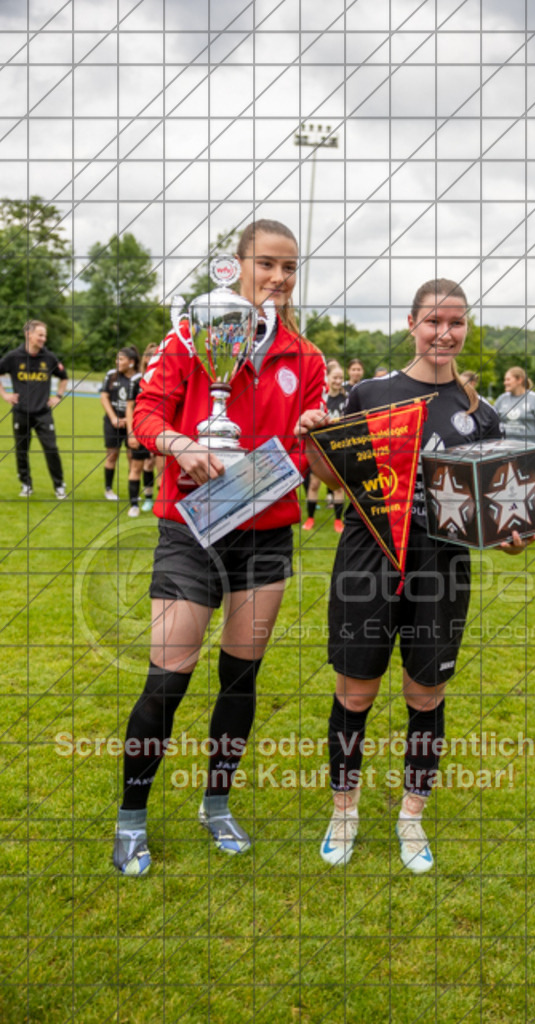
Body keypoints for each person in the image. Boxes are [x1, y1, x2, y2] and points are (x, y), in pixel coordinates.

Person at [297, 279, 535, 874]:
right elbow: (334, 479)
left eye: (455, 323)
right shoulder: (370, 392)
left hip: (441, 569)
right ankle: (345, 810)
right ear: (412, 324)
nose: (444, 333)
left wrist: (511, 541)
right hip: (367, 559)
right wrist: (313, 438)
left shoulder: (478, 415)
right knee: (355, 692)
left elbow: (487, 517)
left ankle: (412, 816)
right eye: (433, 321)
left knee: (424, 694)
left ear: (465, 329)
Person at [113, 219, 326, 877]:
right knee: (166, 678)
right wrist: (183, 445)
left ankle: (216, 802)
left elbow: (309, 459)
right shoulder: (187, 337)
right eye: (267, 264)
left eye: (289, 268)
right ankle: (131, 821)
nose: (279, 278)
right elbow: (145, 417)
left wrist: (317, 436)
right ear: (236, 265)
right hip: (190, 528)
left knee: (240, 677)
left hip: (265, 536)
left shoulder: (308, 359)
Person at [0, 320, 68, 499]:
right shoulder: (14, 357)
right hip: (21, 413)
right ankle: (25, 484)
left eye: (44, 335)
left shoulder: (49, 358)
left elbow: (64, 377)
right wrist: (5, 395)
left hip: (43, 413)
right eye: (40, 335)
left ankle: (59, 486)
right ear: (28, 334)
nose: (43, 339)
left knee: (51, 449)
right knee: (21, 451)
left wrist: (58, 396)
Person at [303, 364, 347, 533]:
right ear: (327, 377)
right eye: (334, 377)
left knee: (338, 486)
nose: (338, 381)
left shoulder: (346, 399)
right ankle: (310, 518)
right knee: (313, 484)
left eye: (340, 378)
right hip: (320, 448)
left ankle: (338, 521)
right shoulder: (321, 398)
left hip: (338, 448)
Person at [100, 346, 140, 501]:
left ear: (131, 362)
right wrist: (114, 418)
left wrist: (128, 420)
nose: (117, 362)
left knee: (132, 457)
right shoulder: (111, 375)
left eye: (121, 359)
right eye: (116, 359)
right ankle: (108, 489)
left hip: (131, 424)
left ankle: (133, 492)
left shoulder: (138, 378)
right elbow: (104, 397)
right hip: (113, 423)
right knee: (111, 455)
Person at [125, 343, 158, 517]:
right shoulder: (137, 380)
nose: (155, 357)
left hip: (157, 431)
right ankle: (133, 505)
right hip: (139, 432)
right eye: (151, 354)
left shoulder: (163, 378)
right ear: (146, 358)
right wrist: (132, 432)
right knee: (136, 467)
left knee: (154, 466)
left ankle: (150, 500)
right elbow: (129, 408)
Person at [494, 367, 535, 447]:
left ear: (519, 380)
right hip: (505, 450)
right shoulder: (501, 399)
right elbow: (493, 423)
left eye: (508, 379)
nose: (505, 383)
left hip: (529, 450)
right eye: (505, 380)